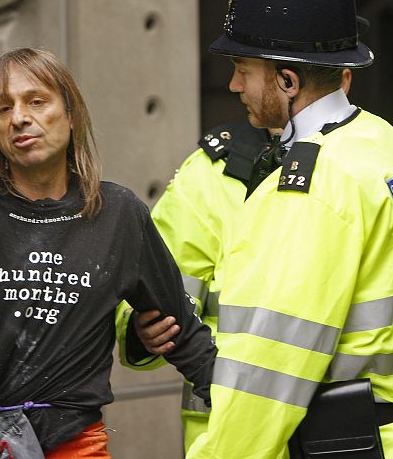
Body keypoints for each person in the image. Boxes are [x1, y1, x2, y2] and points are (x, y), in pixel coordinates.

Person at [181, 0, 393, 458]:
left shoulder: (309, 191)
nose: (233, 85)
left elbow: (265, 379)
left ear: (288, 80)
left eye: (244, 69)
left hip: (353, 447)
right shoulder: (392, 148)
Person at [0, 47, 217, 457]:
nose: (19, 117)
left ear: (71, 115)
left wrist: (249, 419)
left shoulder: (119, 213)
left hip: (74, 443)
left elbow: (182, 332)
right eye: (3, 108)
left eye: (36, 101)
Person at [115, 72, 353, 453]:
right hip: (225, 431)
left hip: (339, 430)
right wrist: (142, 331)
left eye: (245, 71)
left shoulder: (360, 164)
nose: (233, 85)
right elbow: (154, 287)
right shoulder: (208, 173)